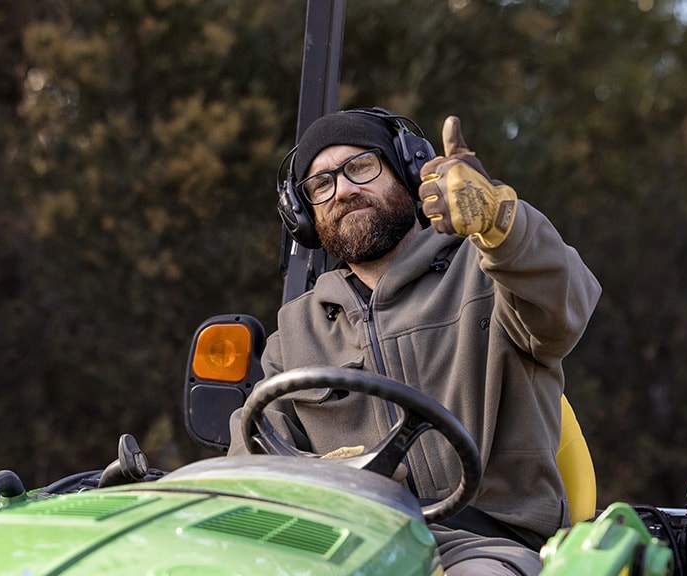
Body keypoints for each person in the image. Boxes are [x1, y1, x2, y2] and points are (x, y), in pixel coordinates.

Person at [227, 108, 601, 576]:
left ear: (407, 171)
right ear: (304, 215)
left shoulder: (490, 273)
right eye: (321, 185)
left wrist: (504, 227)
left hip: (488, 546)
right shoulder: (296, 333)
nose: (342, 189)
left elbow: (567, 306)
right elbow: (249, 461)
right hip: (347, 548)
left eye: (360, 167)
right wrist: (326, 473)